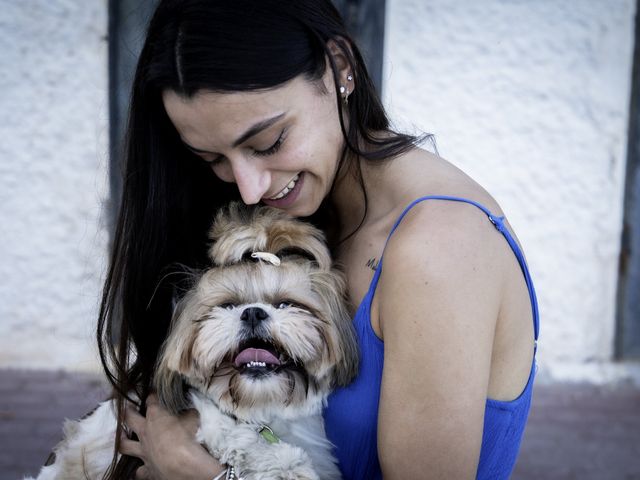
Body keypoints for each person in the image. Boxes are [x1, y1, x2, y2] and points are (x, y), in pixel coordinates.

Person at [97, 0, 539, 478]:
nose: (248, 187)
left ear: (340, 69)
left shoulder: (441, 247)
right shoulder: (299, 218)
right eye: (213, 159)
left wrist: (202, 473)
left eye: (267, 143)